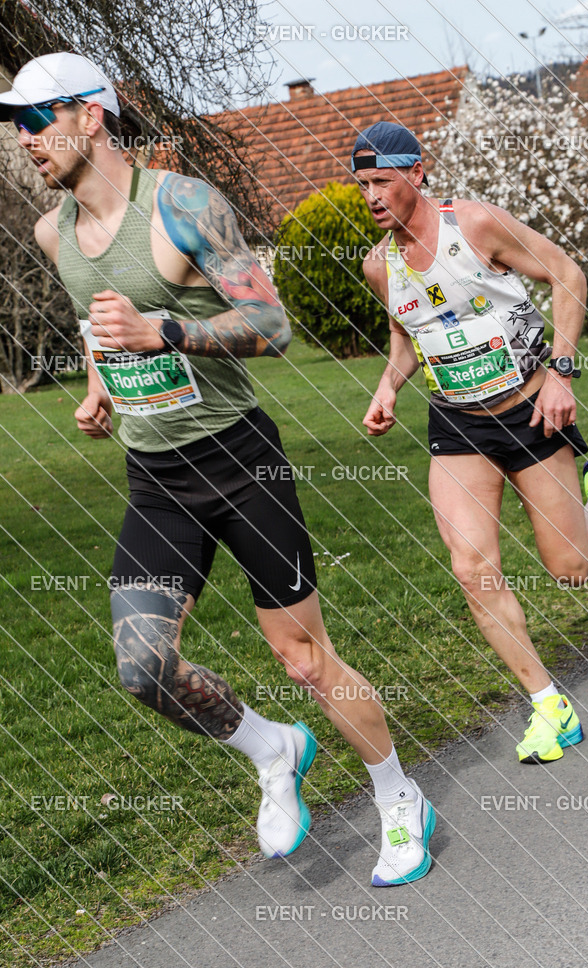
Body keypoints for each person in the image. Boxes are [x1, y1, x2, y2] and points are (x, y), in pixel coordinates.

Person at [0, 55, 436, 885]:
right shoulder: (52, 232)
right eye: (15, 122)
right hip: (156, 478)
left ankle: (398, 796)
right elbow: (104, 325)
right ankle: (273, 748)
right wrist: (100, 388)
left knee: (305, 660)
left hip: (240, 462)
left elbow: (273, 327)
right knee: (142, 667)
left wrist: (162, 332)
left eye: (35, 119)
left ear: (90, 117)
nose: (23, 138)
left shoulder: (181, 204)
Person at [354, 121, 588, 764]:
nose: (370, 195)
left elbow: (567, 275)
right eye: (362, 184)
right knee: (471, 568)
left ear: (417, 174)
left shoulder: (474, 225)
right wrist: (388, 388)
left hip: (532, 409)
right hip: (458, 424)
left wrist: (561, 373)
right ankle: (550, 706)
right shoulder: (380, 264)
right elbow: (408, 335)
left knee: (570, 570)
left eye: (381, 181)